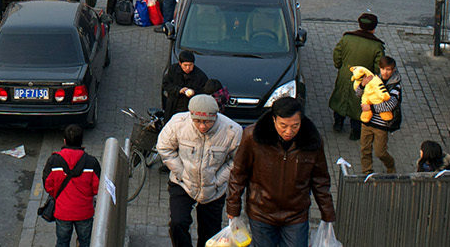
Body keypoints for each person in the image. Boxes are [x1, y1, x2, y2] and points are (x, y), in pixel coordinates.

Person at [225, 97, 336, 247]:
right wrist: (233, 206)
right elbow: (239, 173)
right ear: (274, 120)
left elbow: (320, 179)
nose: (289, 131)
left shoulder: (312, 141)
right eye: (283, 125)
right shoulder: (253, 137)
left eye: (295, 126)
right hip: (261, 212)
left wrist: (327, 212)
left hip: (296, 214)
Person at [158, 95, 243, 247]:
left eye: (208, 122)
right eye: (197, 121)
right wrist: (182, 173)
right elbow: (164, 148)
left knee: (210, 232)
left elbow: (237, 161)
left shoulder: (232, 131)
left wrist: (219, 179)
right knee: (178, 223)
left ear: (216, 117)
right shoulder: (178, 123)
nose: (202, 126)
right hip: (183, 183)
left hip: (214, 189)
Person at [329, 13, 385, 141]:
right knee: (358, 104)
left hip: (345, 75)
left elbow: (337, 53)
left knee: (341, 97)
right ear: (374, 28)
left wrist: (340, 66)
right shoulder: (376, 46)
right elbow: (378, 67)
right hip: (363, 80)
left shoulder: (347, 38)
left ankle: (338, 124)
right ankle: (355, 131)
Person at [44, 125, 102, 247]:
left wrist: (58, 196)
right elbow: (98, 188)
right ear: (81, 141)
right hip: (84, 212)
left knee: (62, 242)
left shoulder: (54, 161)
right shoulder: (91, 162)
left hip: (62, 212)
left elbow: (48, 185)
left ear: (64, 141)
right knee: (86, 242)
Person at [359, 56, 402, 174]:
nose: (385, 72)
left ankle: (390, 165)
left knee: (380, 152)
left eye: (388, 69)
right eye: (383, 69)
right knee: (365, 149)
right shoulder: (374, 79)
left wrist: (371, 107)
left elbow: (390, 105)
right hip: (367, 121)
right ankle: (367, 172)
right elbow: (359, 94)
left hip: (381, 125)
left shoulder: (395, 86)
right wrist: (362, 85)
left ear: (393, 70)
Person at [160, 50, 217, 120]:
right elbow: (166, 84)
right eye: (185, 65)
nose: (188, 68)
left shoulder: (200, 76)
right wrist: (179, 90)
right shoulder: (173, 70)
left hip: (189, 109)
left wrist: (194, 93)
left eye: (190, 65)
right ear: (180, 63)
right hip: (172, 107)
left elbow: (204, 93)